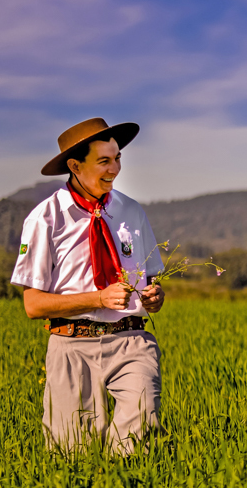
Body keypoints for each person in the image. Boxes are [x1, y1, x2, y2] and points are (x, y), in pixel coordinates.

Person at [10, 118, 166, 454]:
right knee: (73, 456)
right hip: (71, 347)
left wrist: (154, 297)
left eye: (118, 158)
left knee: (139, 438)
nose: (115, 169)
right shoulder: (46, 218)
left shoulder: (132, 211)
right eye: (104, 161)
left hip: (132, 340)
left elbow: (151, 278)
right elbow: (33, 305)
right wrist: (98, 298)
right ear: (75, 166)